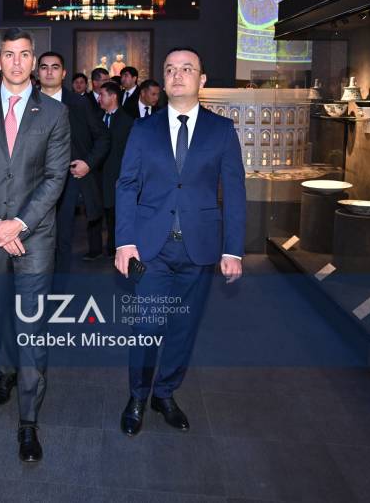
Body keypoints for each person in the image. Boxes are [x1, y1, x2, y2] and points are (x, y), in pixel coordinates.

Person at [115, 48, 245, 436]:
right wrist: (124, 241)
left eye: (187, 69)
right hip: (150, 248)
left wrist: (233, 249)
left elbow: (234, 192)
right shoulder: (143, 129)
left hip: (199, 248)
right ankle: (138, 395)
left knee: (183, 328)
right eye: (170, 69)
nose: (177, 75)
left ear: (202, 79)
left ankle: (165, 393)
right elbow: (127, 185)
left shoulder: (222, 130)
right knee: (146, 327)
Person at [0, 28, 70, 463]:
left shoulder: (54, 113)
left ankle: (28, 419)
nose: (18, 62)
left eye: (25, 54)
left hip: (34, 236)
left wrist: (18, 224)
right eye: (10, 55)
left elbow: (55, 178)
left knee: (31, 324)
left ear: (33, 60)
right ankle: (5, 371)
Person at [36, 52, 109, 274]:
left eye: (55, 67)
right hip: (30, 181)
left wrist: (88, 163)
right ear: (37, 73)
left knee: (62, 239)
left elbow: (103, 137)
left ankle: (58, 289)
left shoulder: (79, 103)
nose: (49, 72)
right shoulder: (25, 102)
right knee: (31, 239)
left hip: (67, 181)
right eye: (44, 67)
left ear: (63, 73)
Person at [86, 81, 134, 259]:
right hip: (95, 174)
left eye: (102, 95)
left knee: (114, 214)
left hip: (116, 175)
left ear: (113, 97)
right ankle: (94, 249)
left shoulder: (128, 121)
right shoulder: (95, 117)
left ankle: (114, 248)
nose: (99, 98)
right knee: (93, 212)